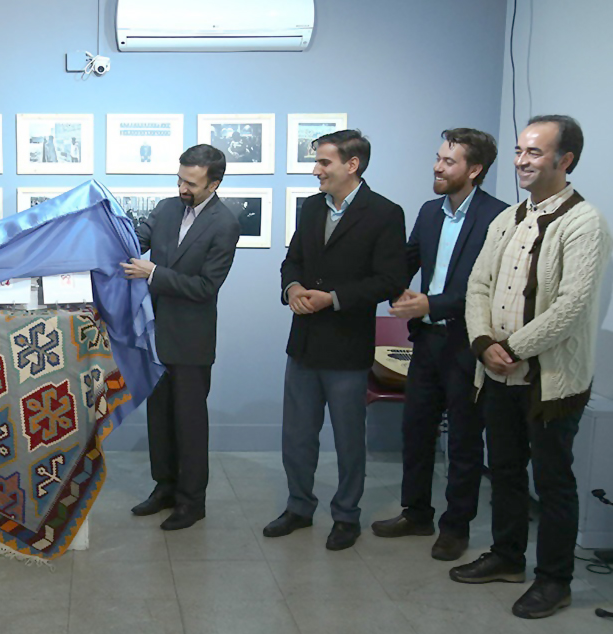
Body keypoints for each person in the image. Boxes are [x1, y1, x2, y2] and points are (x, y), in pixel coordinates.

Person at [453, 115, 611, 619]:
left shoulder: (585, 223)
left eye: (534, 152)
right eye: (520, 150)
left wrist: (512, 348)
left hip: (550, 381)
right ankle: (507, 556)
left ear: (565, 160)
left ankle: (555, 580)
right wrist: (483, 343)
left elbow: (572, 306)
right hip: (498, 372)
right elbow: (478, 285)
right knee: (502, 469)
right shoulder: (507, 219)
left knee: (553, 481)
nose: (521, 160)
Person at [264, 129, 407, 551]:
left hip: (348, 345)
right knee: (297, 436)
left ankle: (346, 516)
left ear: (352, 164)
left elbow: (390, 279)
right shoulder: (311, 207)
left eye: (324, 162)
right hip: (304, 343)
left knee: (348, 440)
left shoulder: (385, 213)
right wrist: (292, 289)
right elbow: (292, 260)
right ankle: (299, 507)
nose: (316, 171)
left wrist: (335, 298)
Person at [371, 129, 506, 561]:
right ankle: (416, 514)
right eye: (438, 157)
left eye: (449, 161)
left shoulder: (499, 217)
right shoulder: (430, 212)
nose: (437, 167)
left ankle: (455, 527)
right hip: (427, 340)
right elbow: (407, 261)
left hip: (469, 344)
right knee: (416, 431)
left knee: (464, 440)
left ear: (475, 169)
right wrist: (389, 289)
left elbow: (488, 289)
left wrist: (433, 303)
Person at [121, 144, 240, 530]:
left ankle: (192, 501)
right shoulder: (167, 208)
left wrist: (154, 273)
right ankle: (165, 488)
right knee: (159, 418)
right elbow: (133, 241)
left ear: (214, 184)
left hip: (191, 341)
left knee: (189, 424)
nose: (182, 188)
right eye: (179, 179)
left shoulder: (225, 224)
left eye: (191, 183)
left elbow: (206, 287)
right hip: (155, 335)